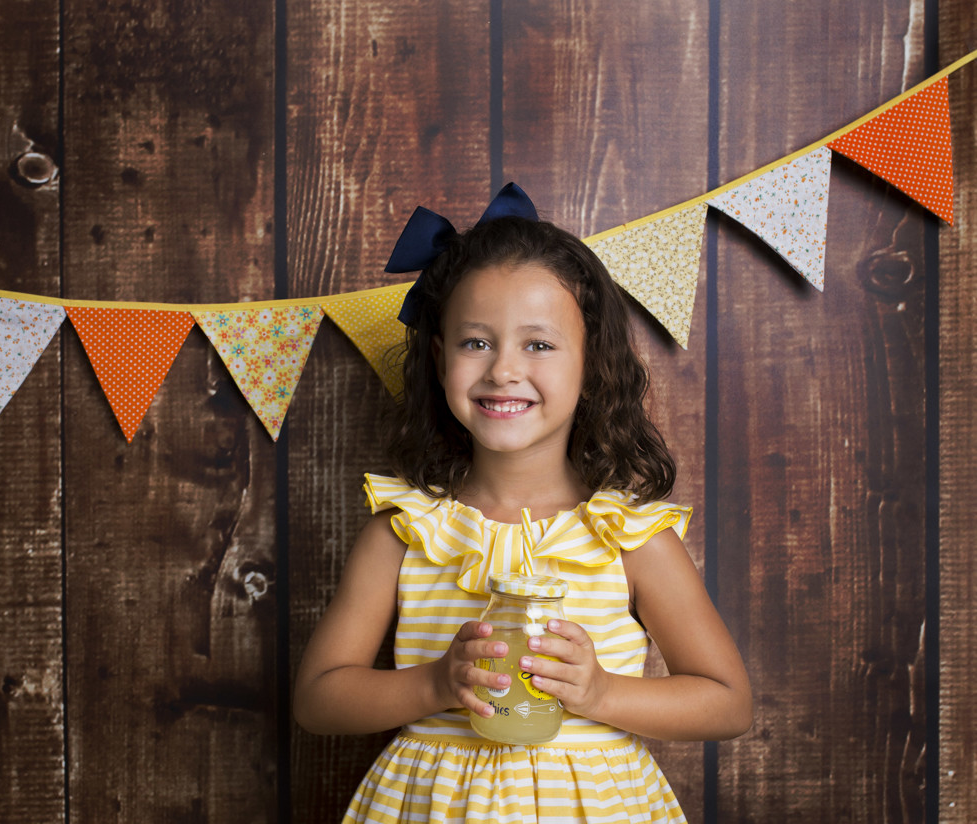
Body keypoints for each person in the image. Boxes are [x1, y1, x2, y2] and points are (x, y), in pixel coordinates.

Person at [294, 183, 752, 822]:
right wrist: (434, 684)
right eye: (475, 342)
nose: (503, 369)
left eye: (538, 344)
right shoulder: (404, 532)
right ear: (438, 356)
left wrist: (600, 693)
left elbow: (727, 702)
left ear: (590, 363)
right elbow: (318, 700)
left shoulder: (629, 535)